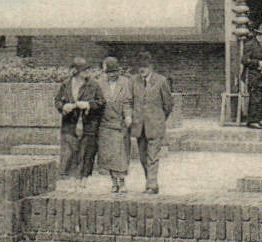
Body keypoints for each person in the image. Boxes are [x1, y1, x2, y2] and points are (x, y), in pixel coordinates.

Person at [130, 52, 175, 193]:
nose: (142, 69)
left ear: (151, 66)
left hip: (155, 126)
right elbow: (130, 101)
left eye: (145, 66)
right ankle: (149, 182)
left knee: (153, 156)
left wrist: (159, 118)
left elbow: (168, 104)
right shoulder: (133, 81)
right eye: (139, 67)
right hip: (139, 126)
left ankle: (152, 185)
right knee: (143, 158)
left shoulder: (161, 81)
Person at [55, 57, 101, 180]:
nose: (86, 72)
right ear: (76, 71)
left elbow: (101, 102)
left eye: (87, 69)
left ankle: (82, 179)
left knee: (85, 152)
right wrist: (63, 106)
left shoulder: (94, 85)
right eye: (83, 70)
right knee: (68, 151)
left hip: (88, 124)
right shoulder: (66, 84)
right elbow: (58, 101)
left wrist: (88, 105)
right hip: (69, 123)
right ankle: (67, 177)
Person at [94, 56, 136, 192]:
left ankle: (122, 182)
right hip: (105, 124)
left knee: (121, 154)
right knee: (109, 155)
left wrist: (128, 116)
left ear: (118, 71)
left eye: (114, 72)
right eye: (109, 73)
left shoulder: (125, 83)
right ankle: (114, 182)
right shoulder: (99, 83)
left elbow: (127, 102)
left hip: (120, 123)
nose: (112, 75)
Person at [242, 23, 262, 129]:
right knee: (255, 98)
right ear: (259, 35)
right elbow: (245, 60)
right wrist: (259, 63)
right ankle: (252, 121)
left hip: (260, 76)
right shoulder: (250, 45)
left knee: (258, 98)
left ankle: (257, 119)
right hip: (252, 76)